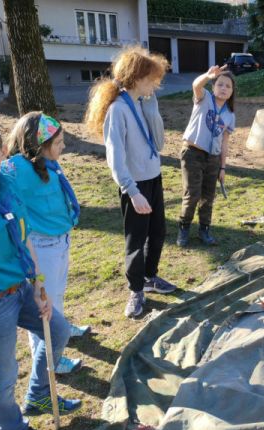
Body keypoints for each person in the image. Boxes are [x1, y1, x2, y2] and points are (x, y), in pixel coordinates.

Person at [0, 116, 81, 430]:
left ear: (2, 151)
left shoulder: (6, 186)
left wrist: (39, 285)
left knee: (58, 329)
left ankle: (39, 394)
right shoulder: (11, 175)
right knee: (2, 378)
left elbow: (23, 239)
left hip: (22, 289)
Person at [85, 46, 176, 318]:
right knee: (136, 241)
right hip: (134, 186)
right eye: (152, 79)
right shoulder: (118, 110)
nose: (156, 84)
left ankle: (149, 278)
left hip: (153, 179)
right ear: (136, 78)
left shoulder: (142, 103)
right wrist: (132, 191)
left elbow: (158, 143)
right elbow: (115, 157)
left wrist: (153, 108)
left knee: (158, 233)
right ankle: (135, 290)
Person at [5, 111, 89, 375]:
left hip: (60, 242)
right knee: (43, 304)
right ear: (37, 143)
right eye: (58, 142)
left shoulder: (47, 162)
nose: (63, 146)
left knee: (56, 295)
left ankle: (60, 326)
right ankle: (49, 361)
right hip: (41, 247)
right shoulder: (17, 168)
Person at [177, 65, 236, 247]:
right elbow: (196, 85)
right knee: (192, 194)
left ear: (232, 91)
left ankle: (204, 230)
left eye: (228, 86)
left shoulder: (230, 114)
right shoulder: (204, 99)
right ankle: (184, 228)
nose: (224, 88)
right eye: (220, 84)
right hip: (193, 154)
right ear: (213, 87)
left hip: (213, 158)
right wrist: (207, 75)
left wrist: (223, 167)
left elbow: (225, 142)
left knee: (208, 196)